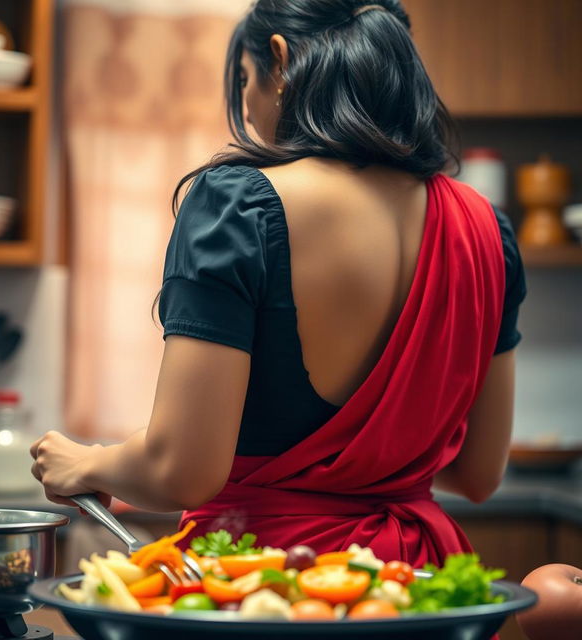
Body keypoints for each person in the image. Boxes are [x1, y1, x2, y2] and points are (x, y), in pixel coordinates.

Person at [31, 0, 526, 567]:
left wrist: (85, 463)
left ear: (281, 60)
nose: (245, 101)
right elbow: (480, 474)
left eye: (245, 81)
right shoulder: (489, 232)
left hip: (265, 586)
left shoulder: (239, 205)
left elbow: (182, 470)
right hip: (418, 588)